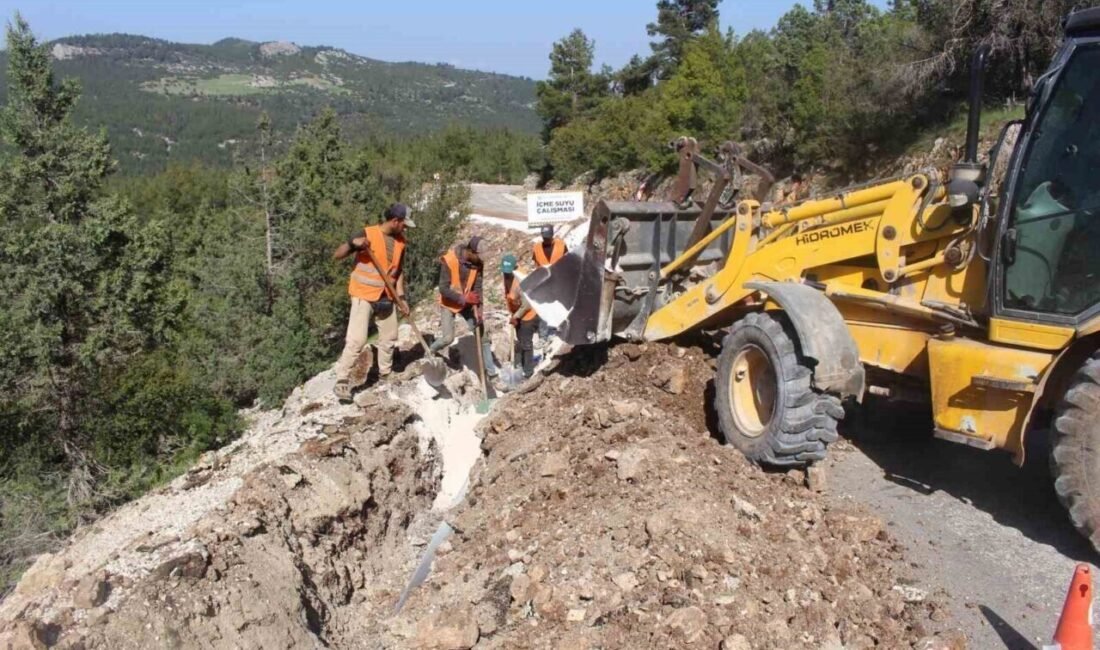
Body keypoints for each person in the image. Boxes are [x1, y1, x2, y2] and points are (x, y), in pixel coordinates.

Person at [331, 203, 414, 401]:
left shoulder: (401, 242)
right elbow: (337, 255)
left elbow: (398, 271)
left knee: (389, 337)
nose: (406, 228)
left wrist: (401, 297)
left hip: (386, 295)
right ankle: (342, 381)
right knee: (357, 340)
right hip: (363, 294)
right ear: (395, 221)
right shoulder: (367, 233)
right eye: (404, 224)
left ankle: (385, 374)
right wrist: (353, 244)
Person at [429, 235, 498, 377]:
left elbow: (478, 287)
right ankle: (430, 350)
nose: (480, 260)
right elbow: (443, 288)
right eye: (479, 256)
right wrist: (462, 298)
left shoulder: (478, 263)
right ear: (471, 252)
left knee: (482, 336)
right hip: (449, 303)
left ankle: (492, 374)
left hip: (467, 304)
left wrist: (479, 310)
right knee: (448, 338)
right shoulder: (449, 260)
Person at [501, 253, 537, 378]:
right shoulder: (506, 276)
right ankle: (520, 368)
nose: (506, 274)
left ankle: (528, 372)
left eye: (508, 272)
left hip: (528, 314)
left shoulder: (521, 280)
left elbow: (527, 305)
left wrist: (516, 316)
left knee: (526, 343)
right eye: (504, 272)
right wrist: (514, 315)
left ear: (514, 268)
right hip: (517, 314)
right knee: (521, 342)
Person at [532, 225, 565, 347]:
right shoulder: (536, 248)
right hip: (544, 283)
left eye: (548, 237)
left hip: (559, 282)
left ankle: (558, 333)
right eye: (544, 237)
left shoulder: (561, 245)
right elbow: (536, 265)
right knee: (544, 310)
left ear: (552, 236)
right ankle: (543, 336)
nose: (546, 240)